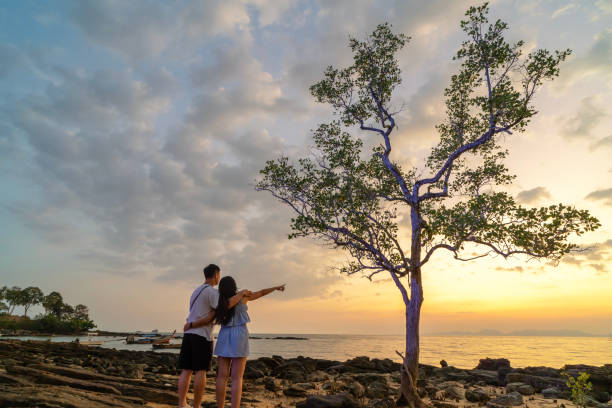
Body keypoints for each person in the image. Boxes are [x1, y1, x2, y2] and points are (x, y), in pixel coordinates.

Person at [188, 277, 285, 408]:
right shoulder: (242, 297)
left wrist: (192, 324)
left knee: (221, 377)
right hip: (239, 334)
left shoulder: (221, 302)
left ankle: (220, 406)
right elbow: (261, 293)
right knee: (237, 378)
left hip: (224, 334)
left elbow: (209, 316)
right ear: (234, 286)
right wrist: (275, 288)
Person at [177, 264, 248, 408]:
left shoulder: (196, 291)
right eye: (219, 275)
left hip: (189, 335)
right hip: (201, 335)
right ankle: (196, 406)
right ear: (216, 275)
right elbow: (224, 306)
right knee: (201, 371)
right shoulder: (211, 292)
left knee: (186, 370)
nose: (219, 278)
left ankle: (182, 404)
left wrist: (190, 325)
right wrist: (240, 294)